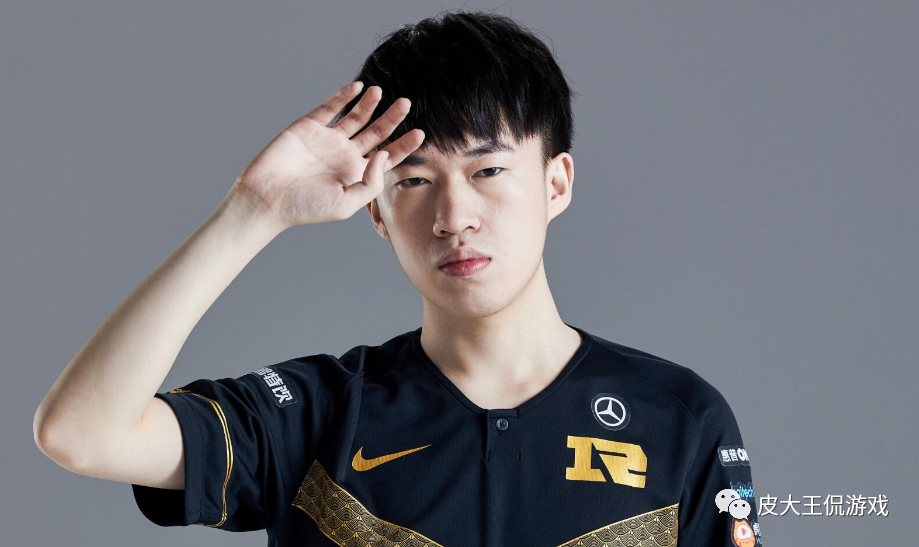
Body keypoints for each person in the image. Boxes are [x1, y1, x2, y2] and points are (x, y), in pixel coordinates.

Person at [33, 10, 762, 547]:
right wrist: (251, 211)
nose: (453, 216)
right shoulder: (317, 417)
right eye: (413, 180)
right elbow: (80, 433)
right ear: (376, 212)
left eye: (488, 170)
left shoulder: (680, 418)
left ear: (556, 182)